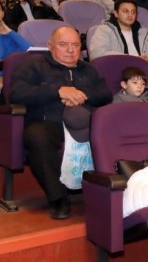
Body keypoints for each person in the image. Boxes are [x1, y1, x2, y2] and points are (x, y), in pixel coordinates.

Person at [10, 27, 111, 218]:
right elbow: (17, 93)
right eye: (63, 44)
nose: (70, 50)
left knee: (114, 128)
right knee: (37, 136)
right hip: (50, 124)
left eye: (75, 45)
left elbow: (105, 93)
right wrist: (58, 91)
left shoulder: (88, 69)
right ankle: (58, 198)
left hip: (85, 124)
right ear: (50, 46)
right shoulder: (33, 64)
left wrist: (80, 94)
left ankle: (118, 191)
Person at [89, 0, 148, 68]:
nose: (130, 15)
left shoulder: (143, 32)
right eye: (125, 11)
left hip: (141, 72)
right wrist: (129, 59)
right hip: (116, 71)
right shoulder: (104, 30)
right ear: (116, 13)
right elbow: (97, 54)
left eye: (133, 12)